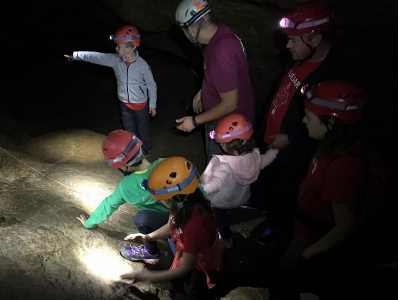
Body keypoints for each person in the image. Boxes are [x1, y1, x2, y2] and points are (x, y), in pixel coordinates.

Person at [271, 80, 367, 299]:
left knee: (287, 284)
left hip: (311, 240)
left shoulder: (343, 167)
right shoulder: (330, 145)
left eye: (309, 116)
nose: (304, 120)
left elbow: (344, 225)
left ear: (331, 124)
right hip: (302, 229)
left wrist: (307, 254)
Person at [255, 1, 338, 234]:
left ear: (315, 38)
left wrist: (291, 138)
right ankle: (269, 218)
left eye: (294, 39)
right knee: (271, 189)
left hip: (293, 157)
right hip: (272, 144)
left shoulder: (329, 78)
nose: (288, 44)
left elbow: (327, 128)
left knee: (287, 197)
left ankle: (280, 233)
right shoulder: (299, 59)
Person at [120, 156, 224, 299]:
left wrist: (149, 276)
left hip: (199, 266)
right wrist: (148, 237)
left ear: (175, 197)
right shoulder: (185, 204)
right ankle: (177, 290)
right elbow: (171, 226)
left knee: (191, 290)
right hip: (186, 250)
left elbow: (185, 268)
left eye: (161, 199)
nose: (160, 201)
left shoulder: (194, 225)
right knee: (178, 281)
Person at [174, 0, 255, 161]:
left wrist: (195, 121)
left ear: (192, 27)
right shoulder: (221, 35)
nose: (185, 33)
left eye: (185, 28)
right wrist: (202, 90)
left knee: (220, 172)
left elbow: (229, 104)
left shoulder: (221, 52)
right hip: (228, 117)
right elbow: (222, 76)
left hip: (229, 126)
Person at [76, 130, 169, 263]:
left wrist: (89, 223)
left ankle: (151, 252)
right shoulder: (166, 163)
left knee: (142, 218)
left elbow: (108, 205)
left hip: (163, 222)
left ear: (124, 165)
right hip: (187, 214)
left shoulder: (126, 187)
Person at [64, 25, 157, 154]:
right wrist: (76, 55)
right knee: (129, 129)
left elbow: (151, 85)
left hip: (141, 106)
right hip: (124, 104)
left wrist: (152, 104)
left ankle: (146, 149)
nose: (116, 48)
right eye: (117, 45)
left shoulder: (142, 65)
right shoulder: (115, 60)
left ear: (132, 46)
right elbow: (96, 57)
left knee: (143, 129)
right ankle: (134, 151)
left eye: (119, 46)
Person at [201, 113, 278, 247]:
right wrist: (275, 149)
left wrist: (198, 189)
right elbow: (266, 160)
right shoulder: (254, 156)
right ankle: (239, 226)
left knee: (221, 221)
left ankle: (226, 239)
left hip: (221, 203)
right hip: (241, 198)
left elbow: (212, 186)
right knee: (234, 214)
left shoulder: (223, 164)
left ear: (227, 146)